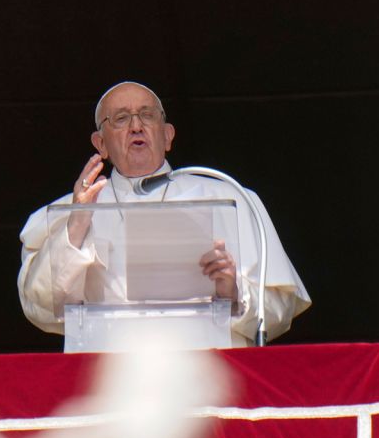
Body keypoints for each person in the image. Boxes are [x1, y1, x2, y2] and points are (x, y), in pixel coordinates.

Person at [17, 81, 311, 346]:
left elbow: (279, 309)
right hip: (108, 382)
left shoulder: (228, 196)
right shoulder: (69, 211)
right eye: (120, 118)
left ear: (168, 135)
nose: (136, 126)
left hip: (210, 379)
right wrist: (77, 223)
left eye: (147, 115)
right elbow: (41, 309)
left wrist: (232, 294)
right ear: (101, 144)